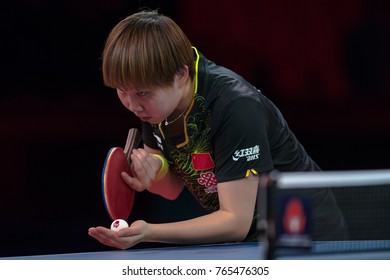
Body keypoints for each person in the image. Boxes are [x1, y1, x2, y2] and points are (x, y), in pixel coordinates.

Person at [88, 10, 348, 250]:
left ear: (180, 75)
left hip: (305, 236)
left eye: (142, 93)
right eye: (122, 91)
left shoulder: (234, 106)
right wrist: (155, 169)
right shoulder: (154, 101)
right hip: (250, 244)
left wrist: (148, 232)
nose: (132, 105)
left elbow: (235, 222)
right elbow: (169, 189)